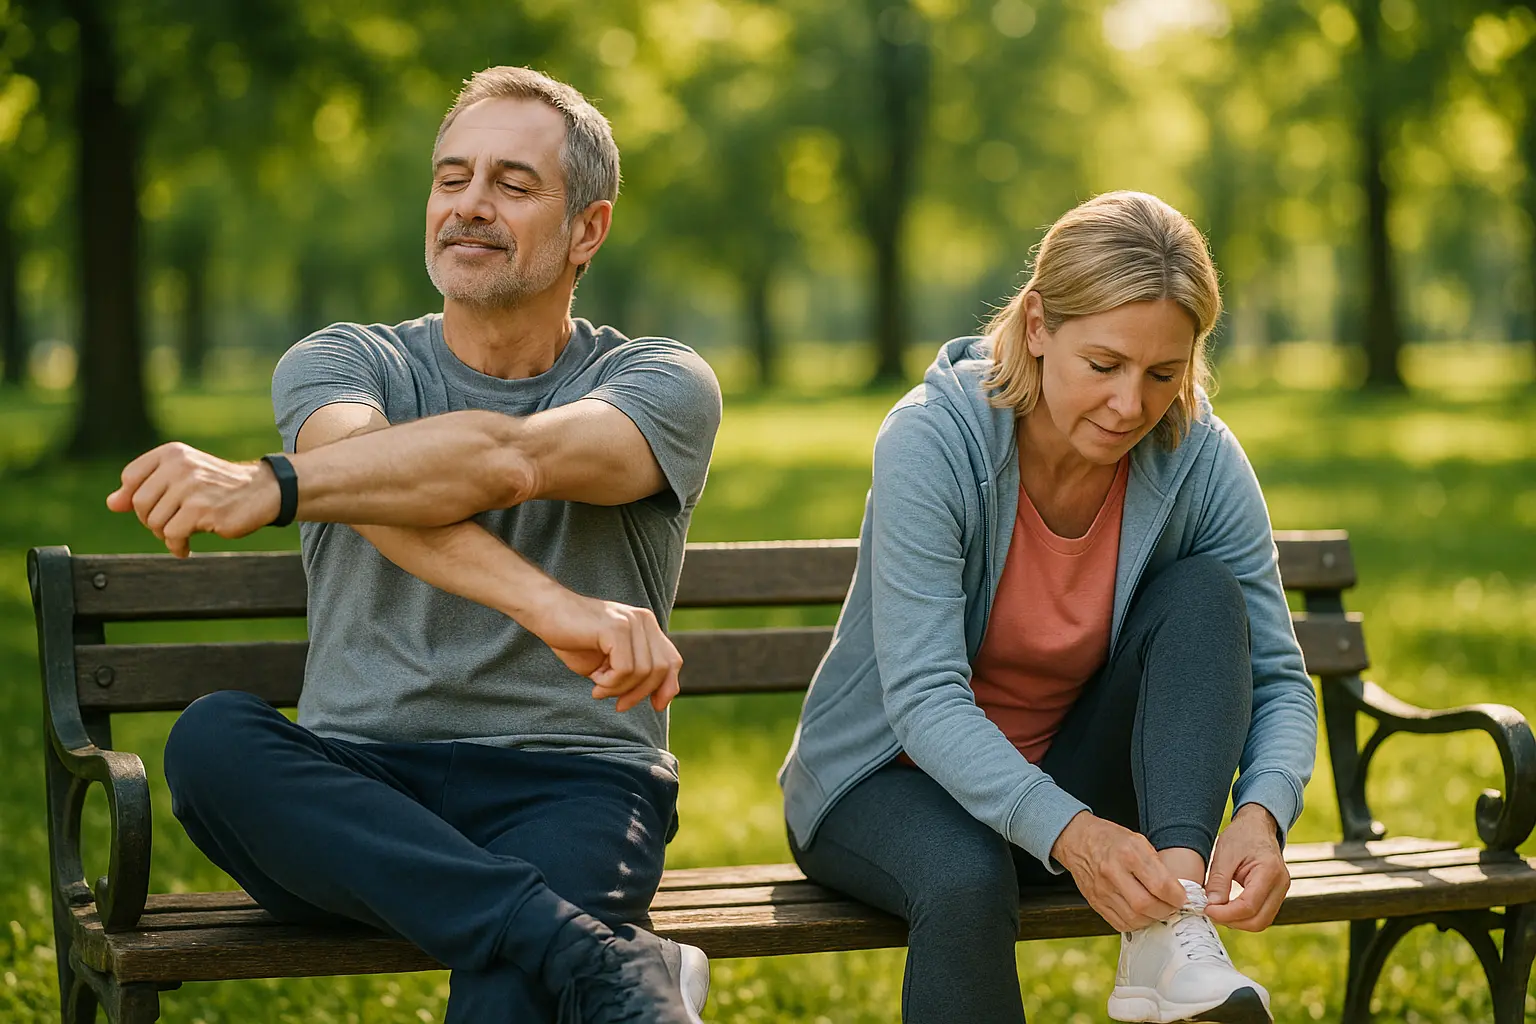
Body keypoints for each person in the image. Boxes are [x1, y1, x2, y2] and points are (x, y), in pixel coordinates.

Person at [104, 66, 721, 1024]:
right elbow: (379, 494)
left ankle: (559, 946)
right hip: (360, 793)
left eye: (513, 184)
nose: (469, 205)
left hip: (572, 781)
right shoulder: (343, 361)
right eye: (451, 178)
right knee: (212, 740)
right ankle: (599, 957)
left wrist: (274, 484)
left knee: (510, 991)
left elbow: (506, 460)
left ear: (587, 229)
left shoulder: (659, 382)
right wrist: (553, 606)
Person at [779, 191, 1318, 1024]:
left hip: (1068, 778)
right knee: (965, 876)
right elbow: (923, 698)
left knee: (1204, 596)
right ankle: (1152, 919)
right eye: (1104, 365)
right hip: (885, 782)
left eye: (1163, 374)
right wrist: (1075, 835)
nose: (1131, 406)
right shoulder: (933, 439)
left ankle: (1169, 930)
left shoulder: (1200, 458)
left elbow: (1280, 678)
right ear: (1037, 326)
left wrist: (1262, 814)